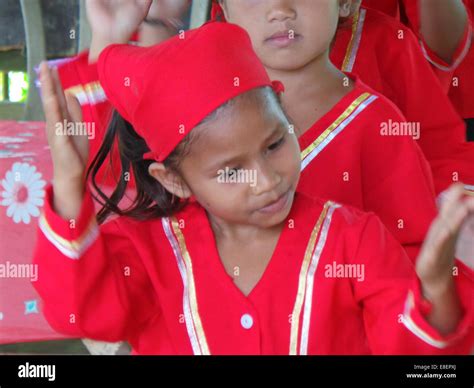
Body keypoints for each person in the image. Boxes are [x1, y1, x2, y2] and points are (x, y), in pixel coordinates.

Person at [34, 21, 473, 355]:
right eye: (230, 171)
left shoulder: (352, 242)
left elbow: (414, 351)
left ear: (287, 118)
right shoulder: (151, 252)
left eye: (276, 143)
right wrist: (70, 185)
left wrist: (436, 289)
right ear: (174, 180)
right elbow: (79, 310)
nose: (267, 180)